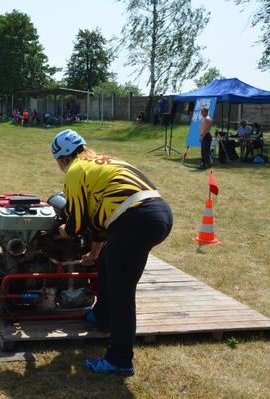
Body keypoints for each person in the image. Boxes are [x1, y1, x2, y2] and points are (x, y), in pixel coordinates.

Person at [51, 129, 172, 376]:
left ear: (62, 158)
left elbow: (77, 224)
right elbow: (102, 223)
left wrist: (61, 231)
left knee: (121, 291)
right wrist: (94, 254)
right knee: (107, 262)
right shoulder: (104, 161)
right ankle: (102, 316)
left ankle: (119, 360)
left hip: (135, 220)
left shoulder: (75, 170)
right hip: (158, 213)